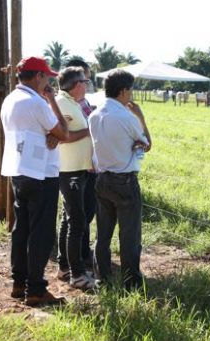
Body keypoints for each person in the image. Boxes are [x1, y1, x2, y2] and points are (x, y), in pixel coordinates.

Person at [0, 57, 69, 306]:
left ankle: (19, 283)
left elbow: (43, 133)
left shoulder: (10, 100)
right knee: (41, 232)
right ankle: (36, 289)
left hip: (18, 170)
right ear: (38, 76)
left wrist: (51, 135)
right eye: (47, 77)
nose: (49, 81)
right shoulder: (37, 102)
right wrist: (51, 102)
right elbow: (64, 132)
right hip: (41, 174)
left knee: (22, 228)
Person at [89, 69, 151, 289]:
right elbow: (146, 143)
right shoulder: (127, 116)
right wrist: (141, 117)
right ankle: (131, 281)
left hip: (102, 178)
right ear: (124, 91)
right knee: (129, 235)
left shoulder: (94, 115)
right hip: (125, 181)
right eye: (130, 90)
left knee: (103, 234)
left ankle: (101, 277)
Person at [55, 67, 96, 290]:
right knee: (76, 221)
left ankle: (65, 267)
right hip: (69, 169)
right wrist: (89, 131)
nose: (87, 84)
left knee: (69, 219)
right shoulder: (63, 104)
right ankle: (77, 274)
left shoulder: (73, 103)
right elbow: (64, 137)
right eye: (84, 81)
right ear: (76, 84)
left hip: (79, 168)